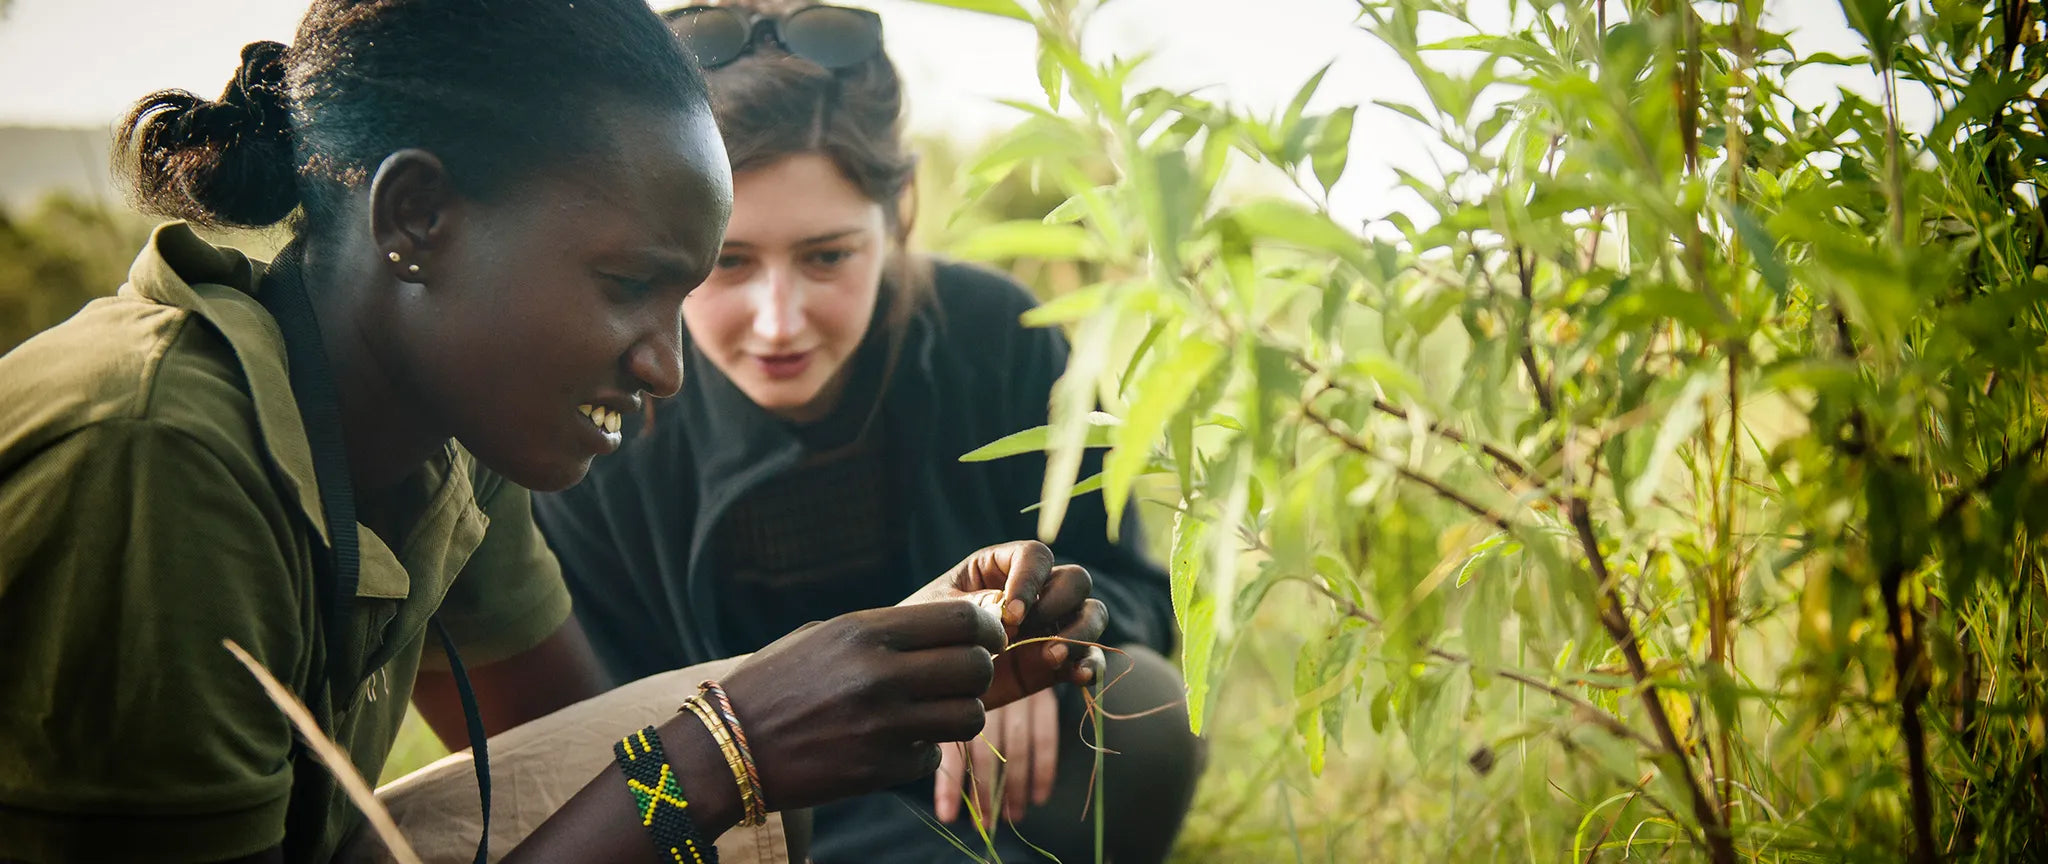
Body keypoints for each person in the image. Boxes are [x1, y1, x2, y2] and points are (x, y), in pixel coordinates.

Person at [0, 1, 1107, 862]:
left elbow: (601, 761)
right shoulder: (155, 456)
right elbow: (683, 766)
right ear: (416, 219)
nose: (668, 366)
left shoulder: (438, 441)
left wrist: (896, 658)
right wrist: (731, 746)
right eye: (629, 283)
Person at [529, 3, 1203, 862]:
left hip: (987, 798)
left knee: (1143, 710)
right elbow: (595, 735)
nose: (778, 322)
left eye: (827, 257)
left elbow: (1137, 592)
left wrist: (1046, 642)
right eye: (728, 262)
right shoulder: (608, 407)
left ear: (898, 217)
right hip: (743, 813)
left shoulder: (998, 336)